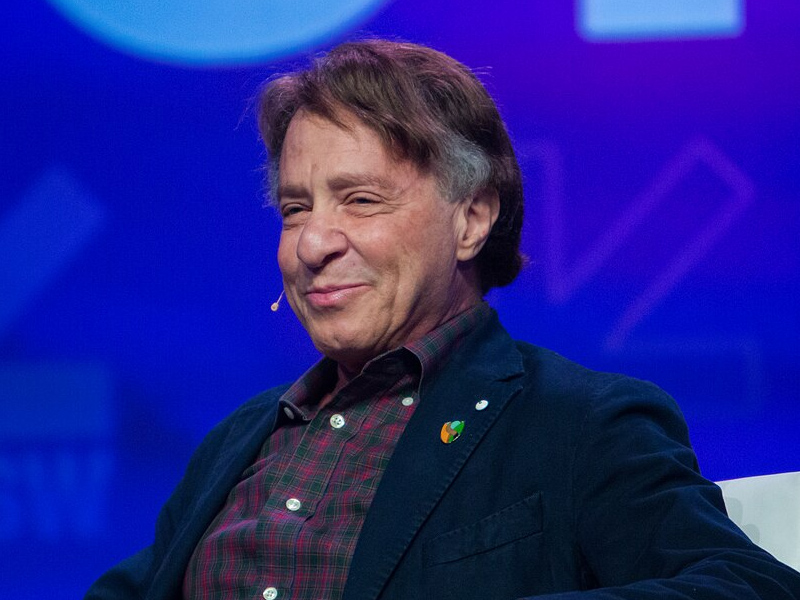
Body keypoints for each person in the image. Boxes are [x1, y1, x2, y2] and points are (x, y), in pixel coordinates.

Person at [86, 40, 800, 600]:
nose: (312, 243)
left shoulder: (580, 423)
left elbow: (748, 585)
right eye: (296, 209)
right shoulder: (239, 440)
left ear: (471, 220)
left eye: (361, 200)